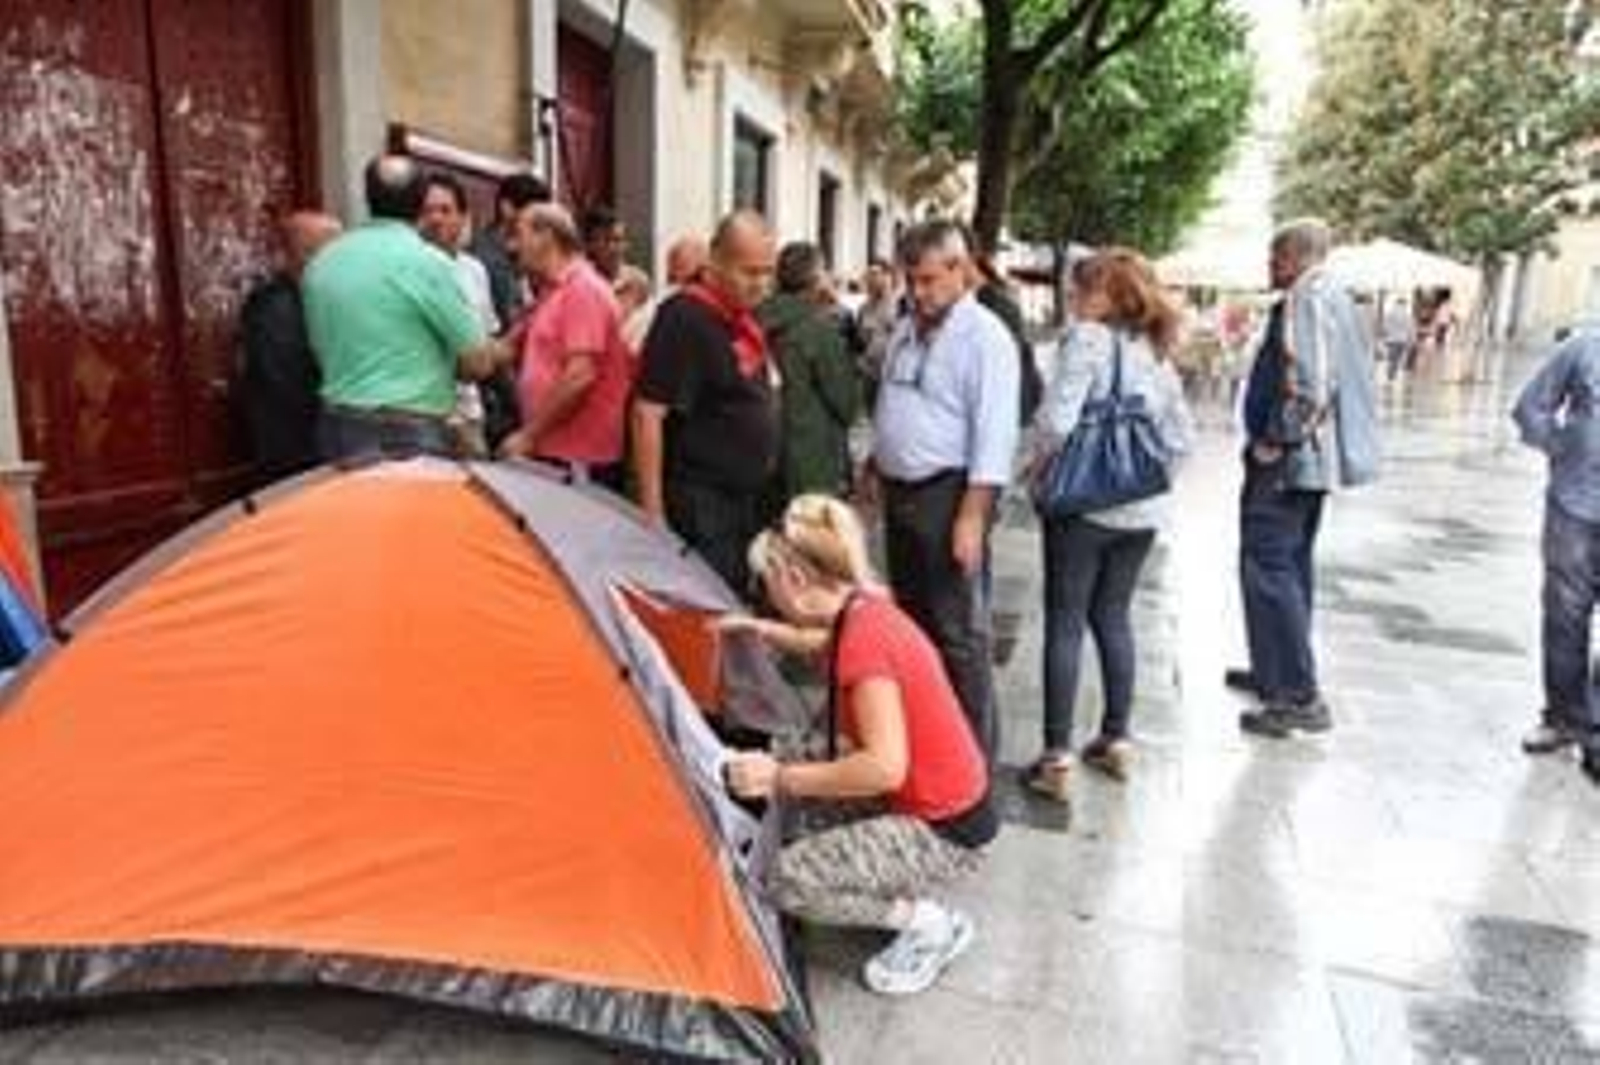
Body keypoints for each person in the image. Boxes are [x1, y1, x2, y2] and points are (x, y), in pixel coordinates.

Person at [724, 495, 996, 997]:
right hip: (947, 798)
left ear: (795, 581)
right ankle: (874, 878)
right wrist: (763, 630)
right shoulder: (865, 604)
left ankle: (931, 925)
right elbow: (822, 643)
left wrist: (780, 778)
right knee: (794, 762)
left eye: (766, 584)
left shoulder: (863, 642)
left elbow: (883, 768)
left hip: (946, 829)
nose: (765, 594)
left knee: (787, 878)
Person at [1021, 249, 1194, 800]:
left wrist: (1033, 467)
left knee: (1066, 622)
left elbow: (1056, 421)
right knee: (1114, 617)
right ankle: (1116, 738)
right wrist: (1141, 477)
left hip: (1084, 507)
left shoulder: (1088, 340)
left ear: (1111, 295)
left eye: (1083, 290)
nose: (1074, 300)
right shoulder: (1156, 349)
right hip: (1141, 510)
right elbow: (1181, 437)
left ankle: (1055, 757)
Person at [865, 220, 1020, 759]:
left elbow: (996, 436)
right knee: (913, 624)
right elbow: (894, 400)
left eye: (929, 279)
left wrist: (972, 517)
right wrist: (873, 466)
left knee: (958, 634)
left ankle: (975, 760)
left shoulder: (987, 338)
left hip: (949, 495)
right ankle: (926, 742)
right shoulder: (909, 326)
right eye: (913, 279)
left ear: (960, 269)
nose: (918, 290)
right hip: (901, 492)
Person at [1228, 218, 1381, 738]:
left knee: (1268, 565)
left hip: (1294, 462)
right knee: (1289, 567)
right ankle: (1278, 670)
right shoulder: (1336, 297)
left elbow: (1310, 383)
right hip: (1312, 464)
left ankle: (1296, 693)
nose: (1270, 268)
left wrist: (1277, 439)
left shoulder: (1307, 297)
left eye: (1275, 258)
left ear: (1296, 256)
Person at [301, 155, 510, 461]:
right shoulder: (429, 263)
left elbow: (321, 349)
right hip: (408, 432)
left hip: (336, 424)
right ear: (419, 202)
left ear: (368, 198)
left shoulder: (322, 261)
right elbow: (477, 363)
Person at [633, 211, 779, 593]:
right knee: (707, 601)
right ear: (715, 261)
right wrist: (652, 512)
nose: (761, 284)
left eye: (768, 272)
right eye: (750, 272)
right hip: (701, 505)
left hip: (740, 501)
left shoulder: (740, 317)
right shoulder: (683, 316)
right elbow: (647, 413)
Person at [1512, 330, 1600, 787]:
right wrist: (1564, 448)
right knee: (1566, 617)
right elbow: (1530, 407)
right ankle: (1565, 717)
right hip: (1577, 506)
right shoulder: (1584, 348)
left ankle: (1595, 728)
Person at [497, 204, 632, 492]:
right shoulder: (554, 290)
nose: (511, 246)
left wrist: (528, 436)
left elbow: (580, 375)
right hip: (559, 451)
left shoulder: (583, 288)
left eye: (517, 235)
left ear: (545, 236)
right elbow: (507, 348)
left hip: (579, 457)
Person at [239, 210, 342, 481]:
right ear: (307, 254)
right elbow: (294, 386)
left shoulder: (308, 299)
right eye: (337, 252)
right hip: (300, 459)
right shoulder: (276, 309)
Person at [759, 242, 860, 505]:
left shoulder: (754, 318)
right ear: (816, 279)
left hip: (763, 453)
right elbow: (847, 404)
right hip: (812, 462)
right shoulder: (820, 329)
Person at [418, 172, 500, 457]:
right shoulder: (407, 270)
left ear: (463, 217)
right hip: (424, 418)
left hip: (469, 416)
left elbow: (487, 334)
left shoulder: (475, 270)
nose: (436, 218)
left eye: (445, 210)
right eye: (427, 210)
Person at [469, 172, 552, 327]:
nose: (540, 221)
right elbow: (510, 319)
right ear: (507, 208)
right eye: (535, 213)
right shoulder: (489, 257)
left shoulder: (522, 250)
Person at [856, 258, 901, 406]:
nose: (872, 279)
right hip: (870, 374)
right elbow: (860, 340)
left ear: (889, 276)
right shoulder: (864, 308)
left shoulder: (900, 305)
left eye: (876, 274)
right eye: (869, 274)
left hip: (893, 374)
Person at [614, 265, 655, 358]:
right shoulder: (629, 317)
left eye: (620, 292)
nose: (616, 298)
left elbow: (633, 353)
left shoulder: (645, 319)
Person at [581, 205, 629, 282]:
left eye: (618, 240)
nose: (612, 248)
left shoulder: (637, 282)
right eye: (606, 241)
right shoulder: (583, 281)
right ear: (590, 245)